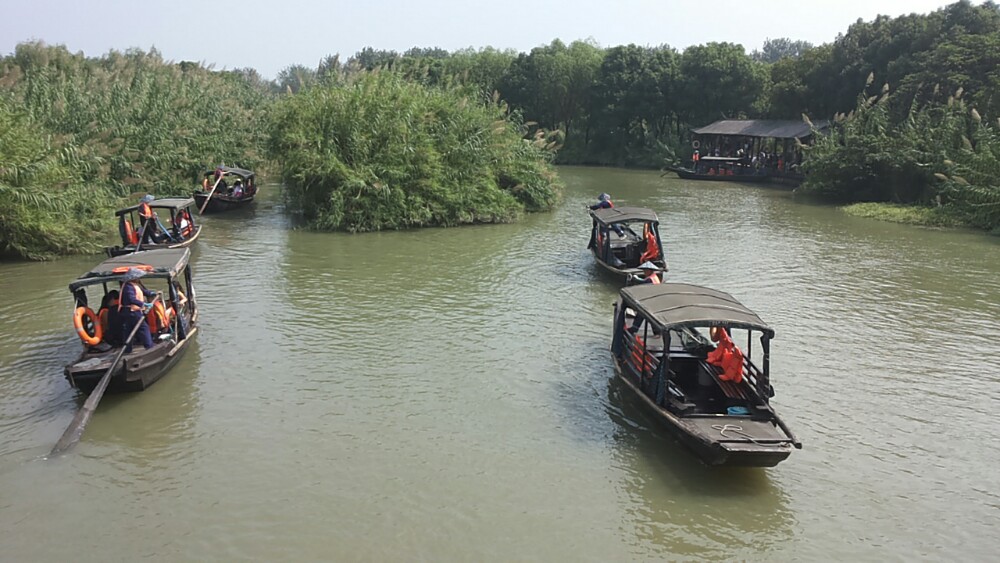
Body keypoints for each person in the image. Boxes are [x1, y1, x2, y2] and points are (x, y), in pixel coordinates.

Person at [118, 267, 157, 352]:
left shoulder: (134, 285)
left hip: (131, 311)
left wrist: (151, 293)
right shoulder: (128, 287)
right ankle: (149, 346)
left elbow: (143, 291)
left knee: (128, 330)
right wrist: (143, 304)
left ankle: (127, 349)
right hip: (132, 312)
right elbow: (132, 299)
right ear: (134, 277)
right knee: (143, 328)